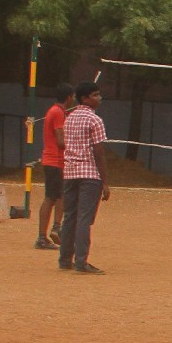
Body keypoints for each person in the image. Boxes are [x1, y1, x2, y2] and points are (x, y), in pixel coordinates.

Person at [58, 80, 110, 274]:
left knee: (69, 216)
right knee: (84, 219)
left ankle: (65, 259)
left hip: (70, 173)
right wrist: (105, 182)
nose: (99, 98)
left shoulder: (69, 118)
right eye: (95, 95)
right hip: (89, 174)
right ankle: (81, 261)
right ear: (85, 98)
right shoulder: (95, 120)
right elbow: (99, 152)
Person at [33, 87, 73, 250]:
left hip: (55, 161)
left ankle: (54, 229)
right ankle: (49, 232)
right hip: (54, 161)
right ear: (69, 97)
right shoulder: (57, 113)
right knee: (53, 197)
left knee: (57, 196)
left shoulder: (58, 112)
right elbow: (60, 141)